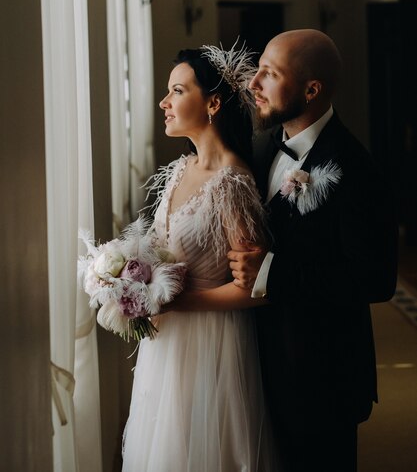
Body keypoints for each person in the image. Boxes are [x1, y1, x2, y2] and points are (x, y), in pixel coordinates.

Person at [228, 29, 399, 472]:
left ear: (311, 89)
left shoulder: (357, 169)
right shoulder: (262, 148)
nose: (253, 84)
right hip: (258, 366)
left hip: (323, 378)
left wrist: (273, 272)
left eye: (269, 74)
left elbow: (375, 279)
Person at [121, 44, 279, 471]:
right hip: (167, 346)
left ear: (212, 103)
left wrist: (178, 301)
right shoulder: (181, 169)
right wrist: (123, 277)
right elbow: (157, 252)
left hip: (213, 344)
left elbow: (255, 290)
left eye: (176, 90)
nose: (163, 102)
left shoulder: (232, 182)